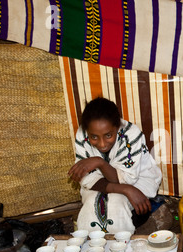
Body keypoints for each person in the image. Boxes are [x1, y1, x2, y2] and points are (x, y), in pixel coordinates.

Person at [68, 97, 163, 234]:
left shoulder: (130, 135)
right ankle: (93, 250)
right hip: (100, 183)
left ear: (117, 127)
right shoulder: (82, 135)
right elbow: (86, 178)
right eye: (94, 137)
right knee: (90, 207)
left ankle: (120, 247)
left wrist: (99, 162)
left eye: (108, 135)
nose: (102, 144)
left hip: (136, 180)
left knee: (116, 204)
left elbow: (127, 179)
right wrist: (126, 190)